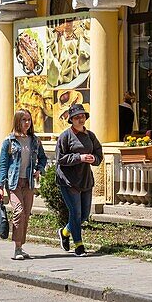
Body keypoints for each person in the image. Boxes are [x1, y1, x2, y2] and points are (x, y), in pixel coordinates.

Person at [0, 110, 48, 260]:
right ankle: (17, 249)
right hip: (13, 182)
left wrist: (39, 170)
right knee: (18, 212)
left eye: (29, 120)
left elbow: (43, 158)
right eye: (24, 120)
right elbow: (3, 164)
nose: (27, 123)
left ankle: (20, 246)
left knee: (26, 215)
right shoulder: (9, 141)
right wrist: (0, 186)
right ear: (17, 121)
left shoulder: (35, 141)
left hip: (28, 182)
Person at [55, 103, 104, 256]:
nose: (80, 119)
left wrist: (93, 159)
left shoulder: (90, 136)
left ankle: (64, 232)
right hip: (68, 180)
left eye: (82, 116)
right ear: (71, 120)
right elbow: (60, 158)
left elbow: (99, 155)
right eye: (77, 117)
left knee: (83, 215)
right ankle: (79, 245)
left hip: (85, 179)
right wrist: (79, 157)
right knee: (75, 213)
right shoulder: (65, 136)